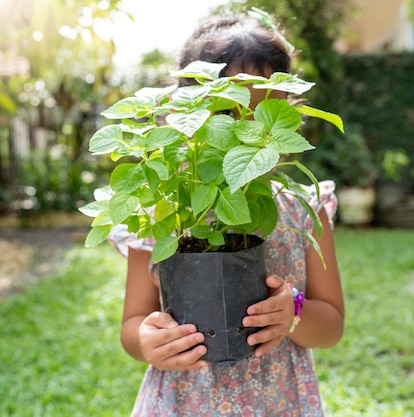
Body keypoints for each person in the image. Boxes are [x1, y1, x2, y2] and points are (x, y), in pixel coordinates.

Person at [110, 9, 344, 417]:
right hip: (184, 398)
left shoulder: (304, 207)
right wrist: (147, 341)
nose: (242, 130)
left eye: (260, 112)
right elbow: (133, 325)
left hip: (278, 399)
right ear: (188, 115)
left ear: (286, 112)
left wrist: (295, 311)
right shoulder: (164, 210)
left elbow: (332, 325)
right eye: (224, 115)